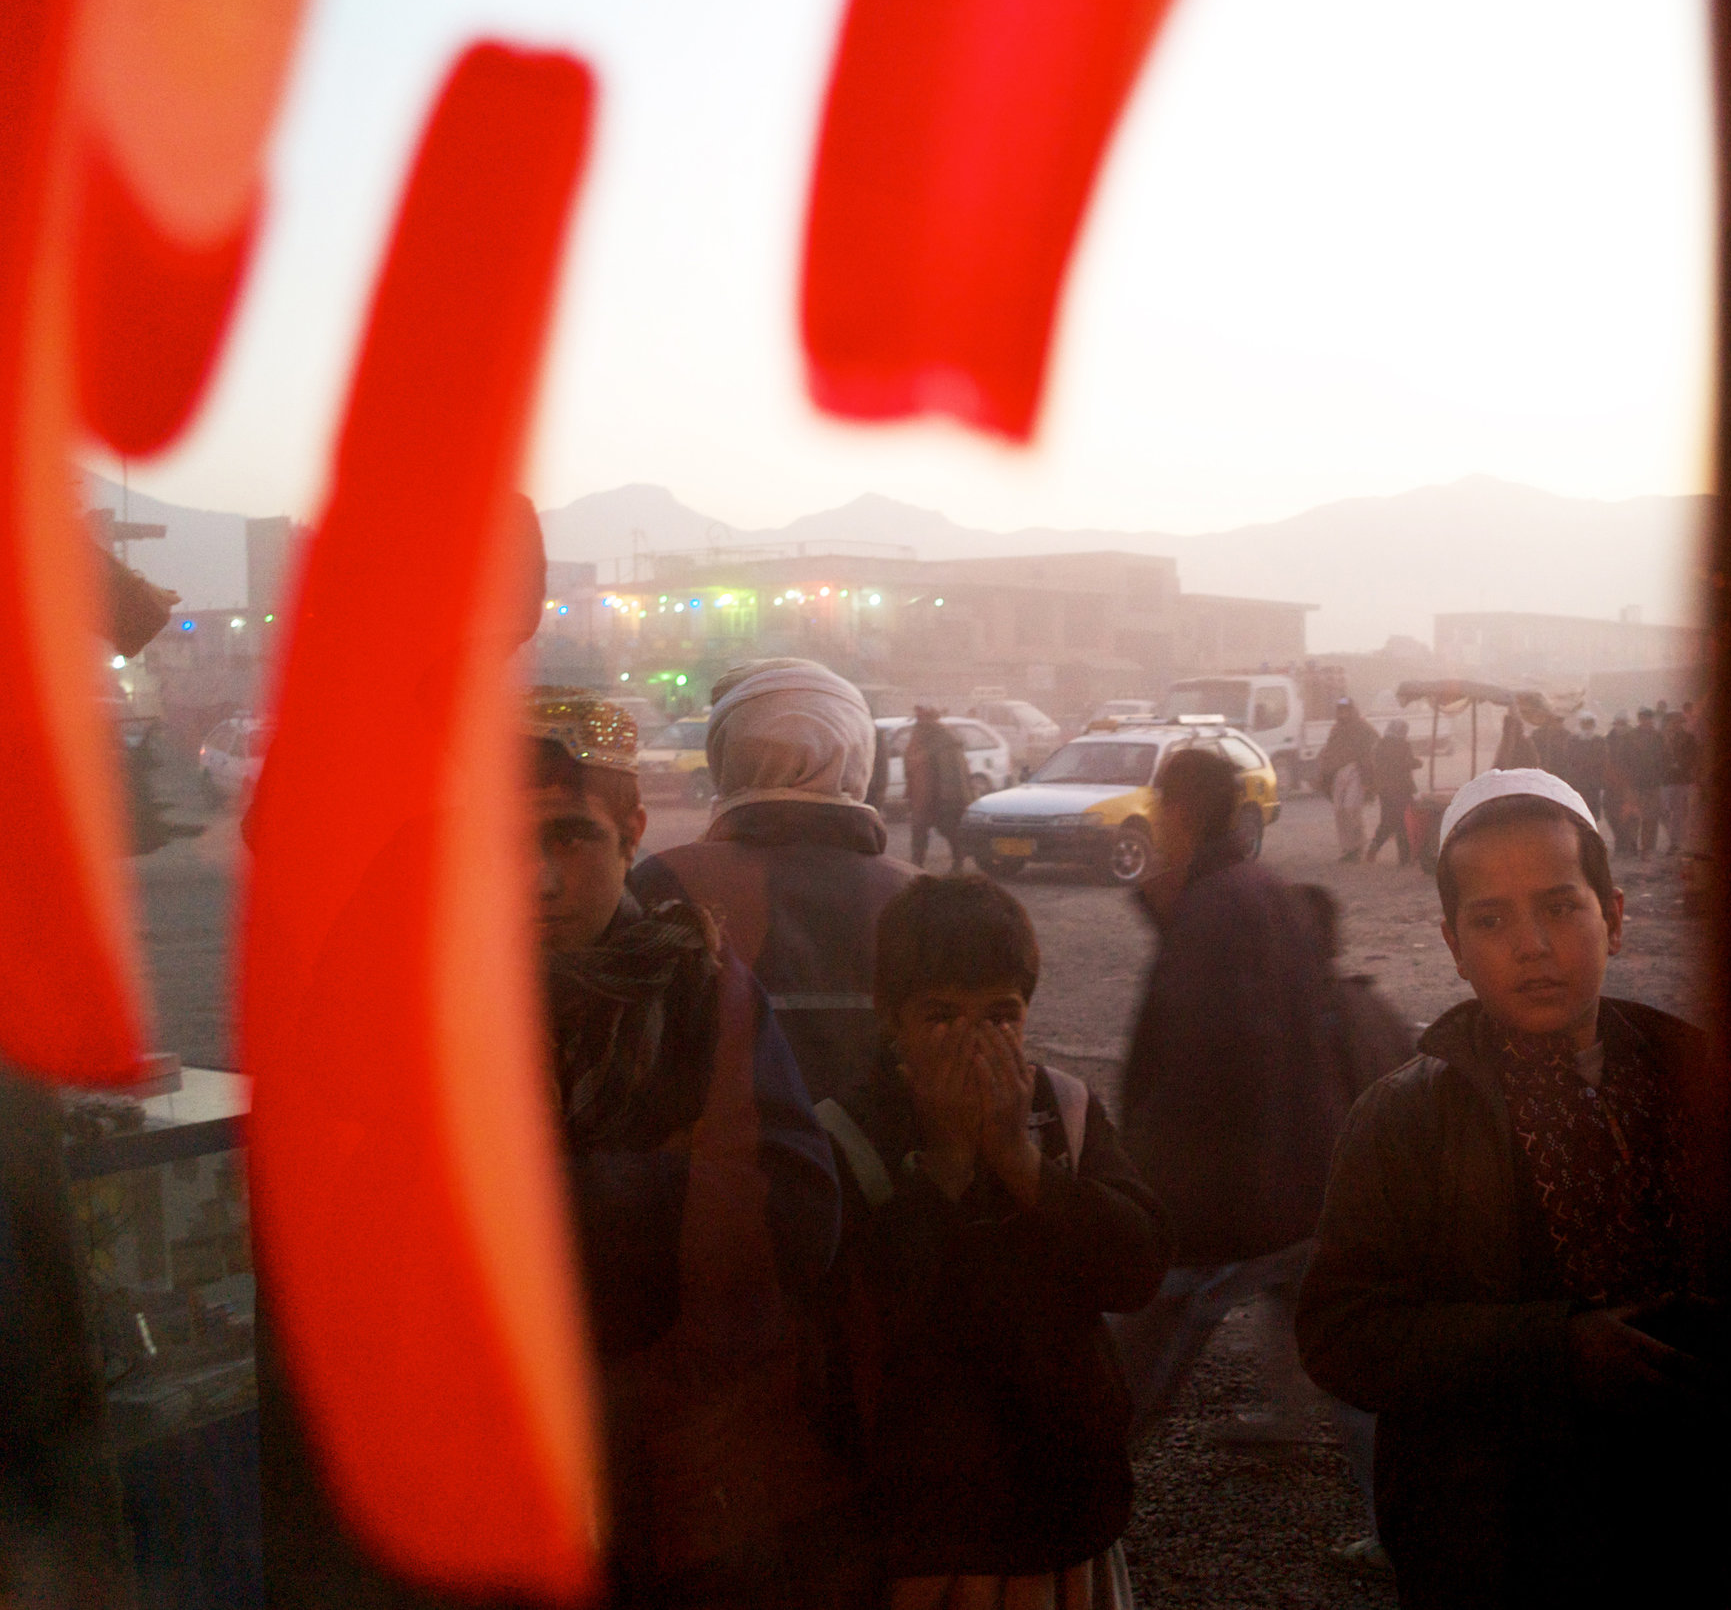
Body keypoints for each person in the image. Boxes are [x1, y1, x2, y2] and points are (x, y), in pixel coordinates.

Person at [1297, 769, 1728, 1610]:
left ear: (1615, 915)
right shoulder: (1406, 1122)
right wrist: (1553, 1350)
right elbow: (1341, 1335)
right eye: (1491, 920)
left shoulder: (1699, 1080)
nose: (1530, 944)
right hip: (1495, 1547)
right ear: (1456, 947)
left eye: (1561, 906)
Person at [526, 689, 849, 1606]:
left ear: (630, 831)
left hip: (683, 1475)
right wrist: (673, 1181)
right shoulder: (437, 1005)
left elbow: (796, 1216)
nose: (538, 880)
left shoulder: (704, 989)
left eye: (569, 837)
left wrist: (553, 1195)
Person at [818, 875, 1171, 1608]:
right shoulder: (846, 1136)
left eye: (1000, 1015)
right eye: (942, 1016)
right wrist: (944, 1167)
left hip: (1062, 1505)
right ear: (892, 1016)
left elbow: (1137, 1268)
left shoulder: (1064, 1111)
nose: (975, 1042)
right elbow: (878, 1321)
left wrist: (1020, 1162)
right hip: (926, 1525)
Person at [1114, 749, 1353, 1444]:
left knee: (1150, 1335)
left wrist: (1151, 1176)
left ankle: (1096, 1452)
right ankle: (1295, 1423)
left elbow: (1198, 1055)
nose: (1155, 814)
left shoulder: (1213, 909)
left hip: (1229, 1189)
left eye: (1160, 802)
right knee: (1303, 1311)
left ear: (1178, 808)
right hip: (1299, 1160)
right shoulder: (1259, 884)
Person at [630, 659, 919, 1112]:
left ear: (726, 753)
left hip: (714, 1171)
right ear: (859, 754)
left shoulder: (667, 880)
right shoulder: (917, 896)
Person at [1293, 884, 1416, 1583]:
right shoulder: (1367, 1001)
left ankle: (1396, 1528)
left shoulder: (1319, 1017)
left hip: (1355, 1217)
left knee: (1357, 1389)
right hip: (1394, 1209)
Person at [902, 704, 971, 872]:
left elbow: (953, 772)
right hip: (921, 795)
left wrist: (950, 797)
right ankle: (916, 865)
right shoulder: (918, 735)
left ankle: (958, 862)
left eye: (921, 716)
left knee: (950, 830)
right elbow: (911, 764)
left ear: (930, 717)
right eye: (917, 717)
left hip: (942, 796)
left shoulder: (945, 737)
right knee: (919, 831)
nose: (919, 720)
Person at [1313, 697, 1380, 863]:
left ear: (1351, 710)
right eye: (1340, 710)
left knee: (1351, 808)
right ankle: (1347, 849)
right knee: (1339, 810)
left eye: (1346, 710)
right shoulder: (1336, 729)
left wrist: (1367, 763)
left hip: (1355, 771)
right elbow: (1330, 750)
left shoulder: (1363, 727)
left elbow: (1376, 742)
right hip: (1337, 773)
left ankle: (1358, 846)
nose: (1343, 713)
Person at [1367, 718, 1420, 865]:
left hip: (1385, 790)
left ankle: (1374, 847)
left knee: (1387, 822)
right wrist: (1416, 763)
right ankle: (1404, 858)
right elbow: (1404, 765)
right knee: (1403, 823)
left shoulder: (1380, 745)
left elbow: (1379, 766)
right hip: (1401, 790)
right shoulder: (1403, 746)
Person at [1625, 706, 1670, 857]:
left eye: (1648, 719)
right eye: (1643, 719)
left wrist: (1661, 776)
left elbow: (1665, 758)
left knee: (1651, 818)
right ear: (1640, 720)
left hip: (1653, 783)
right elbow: (1623, 759)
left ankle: (1647, 848)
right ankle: (1632, 843)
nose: (1646, 722)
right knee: (1634, 816)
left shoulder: (1658, 737)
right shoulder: (1631, 736)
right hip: (1635, 783)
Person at [1659, 705, 1700, 857]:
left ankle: (1675, 842)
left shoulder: (1689, 738)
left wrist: (1683, 766)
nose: (1674, 724)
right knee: (1664, 812)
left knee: (1678, 812)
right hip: (1665, 780)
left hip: (1682, 779)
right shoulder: (1660, 738)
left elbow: (1694, 757)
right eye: (1671, 721)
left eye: (1677, 721)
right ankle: (1675, 838)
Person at [1558, 713, 1608, 824]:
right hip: (1576, 783)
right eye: (1584, 724)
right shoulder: (1572, 740)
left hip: (1593, 784)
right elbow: (1568, 759)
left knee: (1591, 815)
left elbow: (1602, 760)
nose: (1587, 727)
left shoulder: (1599, 741)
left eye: (1589, 724)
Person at [1601, 712, 1638, 855]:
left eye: (1623, 723)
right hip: (1611, 783)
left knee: (1631, 816)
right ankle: (1620, 841)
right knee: (1611, 814)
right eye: (1618, 723)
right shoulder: (1607, 739)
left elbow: (1639, 762)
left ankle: (1631, 843)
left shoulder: (1635, 739)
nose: (1620, 726)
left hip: (1631, 783)